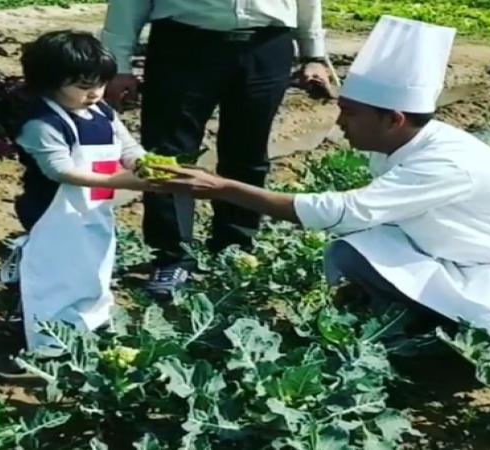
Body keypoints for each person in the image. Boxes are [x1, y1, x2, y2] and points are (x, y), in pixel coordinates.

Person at [149, 16, 490, 337]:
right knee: (351, 254)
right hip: (456, 254)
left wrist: (219, 186)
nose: (340, 124)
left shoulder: (445, 162)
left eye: (350, 114)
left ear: (394, 118)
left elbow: (346, 210)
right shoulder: (399, 144)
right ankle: (424, 316)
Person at [101, 0, 332, 299]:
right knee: (168, 153)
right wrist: (118, 64)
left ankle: (235, 248)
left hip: (267, 45)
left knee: (248, 152)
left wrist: (314, 54)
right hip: (184, 42)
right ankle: (173, 256)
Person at [2, 30, 150, 352]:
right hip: (51, 211)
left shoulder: (102, 114)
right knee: (55, 274)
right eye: (83, 87)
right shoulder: (42, 124)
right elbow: (60, 171)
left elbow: (128, 148)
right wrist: (122, 182)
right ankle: (46, 340)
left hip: (94, 207)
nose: (95, 93)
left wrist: (144, 164)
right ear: (49, 83)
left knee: (94, 266)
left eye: (99, 84)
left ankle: (89, 323)